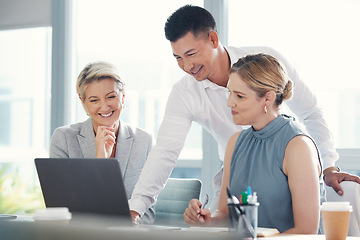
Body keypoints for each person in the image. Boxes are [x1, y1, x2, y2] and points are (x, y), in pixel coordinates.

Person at [128, 5, 360, 222]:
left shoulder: (266, 62)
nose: (187, 66)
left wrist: (329, 165)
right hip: (236, 177)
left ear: (213, 39)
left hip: (283, 171)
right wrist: (136, 208)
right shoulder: (187, 94)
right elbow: (165, 152)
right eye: (178, 58)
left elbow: (310, 111)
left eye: (191, 54)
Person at [183, 53, 324, 233]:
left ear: (268, 98)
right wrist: (206, 220)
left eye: (239, 96)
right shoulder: (235, 143)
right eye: (230, 93)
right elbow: (226, 214)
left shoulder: (297, 147)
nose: (229, 102)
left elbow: (306, 231)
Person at [50, 61, 155, 224]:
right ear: (83, 102)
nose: (105, 107)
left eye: (111, 97)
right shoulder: (64, 139)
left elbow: (147, 214)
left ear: (123, 96)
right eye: (94, 100)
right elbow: (62, 209)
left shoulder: (144, 140)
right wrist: (100, 159)